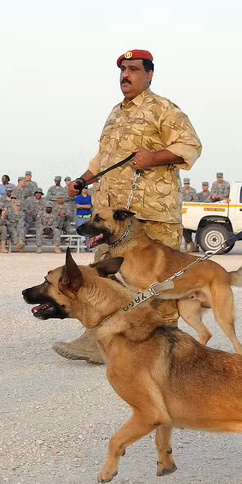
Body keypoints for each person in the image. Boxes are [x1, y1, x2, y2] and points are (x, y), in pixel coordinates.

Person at [60, 49, 202, 363]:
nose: (126, 75)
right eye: (123, 70)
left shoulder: (164, 109)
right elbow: (103, 159)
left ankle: (167, 347)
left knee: (157, 283)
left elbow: (191, 146)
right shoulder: (115, 113)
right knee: (104, 277)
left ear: (149, 75)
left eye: (134, 69)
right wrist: (83, 180)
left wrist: (154, 157)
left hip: (150, 215)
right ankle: (99, 340)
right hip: (110, 219)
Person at [180, 177, 198, 252]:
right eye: (185, 184)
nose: (186, 185)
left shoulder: (193, 191)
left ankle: (190, 244)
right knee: (184, 229)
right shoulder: (180, 190)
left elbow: (196, 200)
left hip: (190, 212)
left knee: (189, 229)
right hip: (182, 212)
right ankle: (187, 243)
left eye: (187, 184)